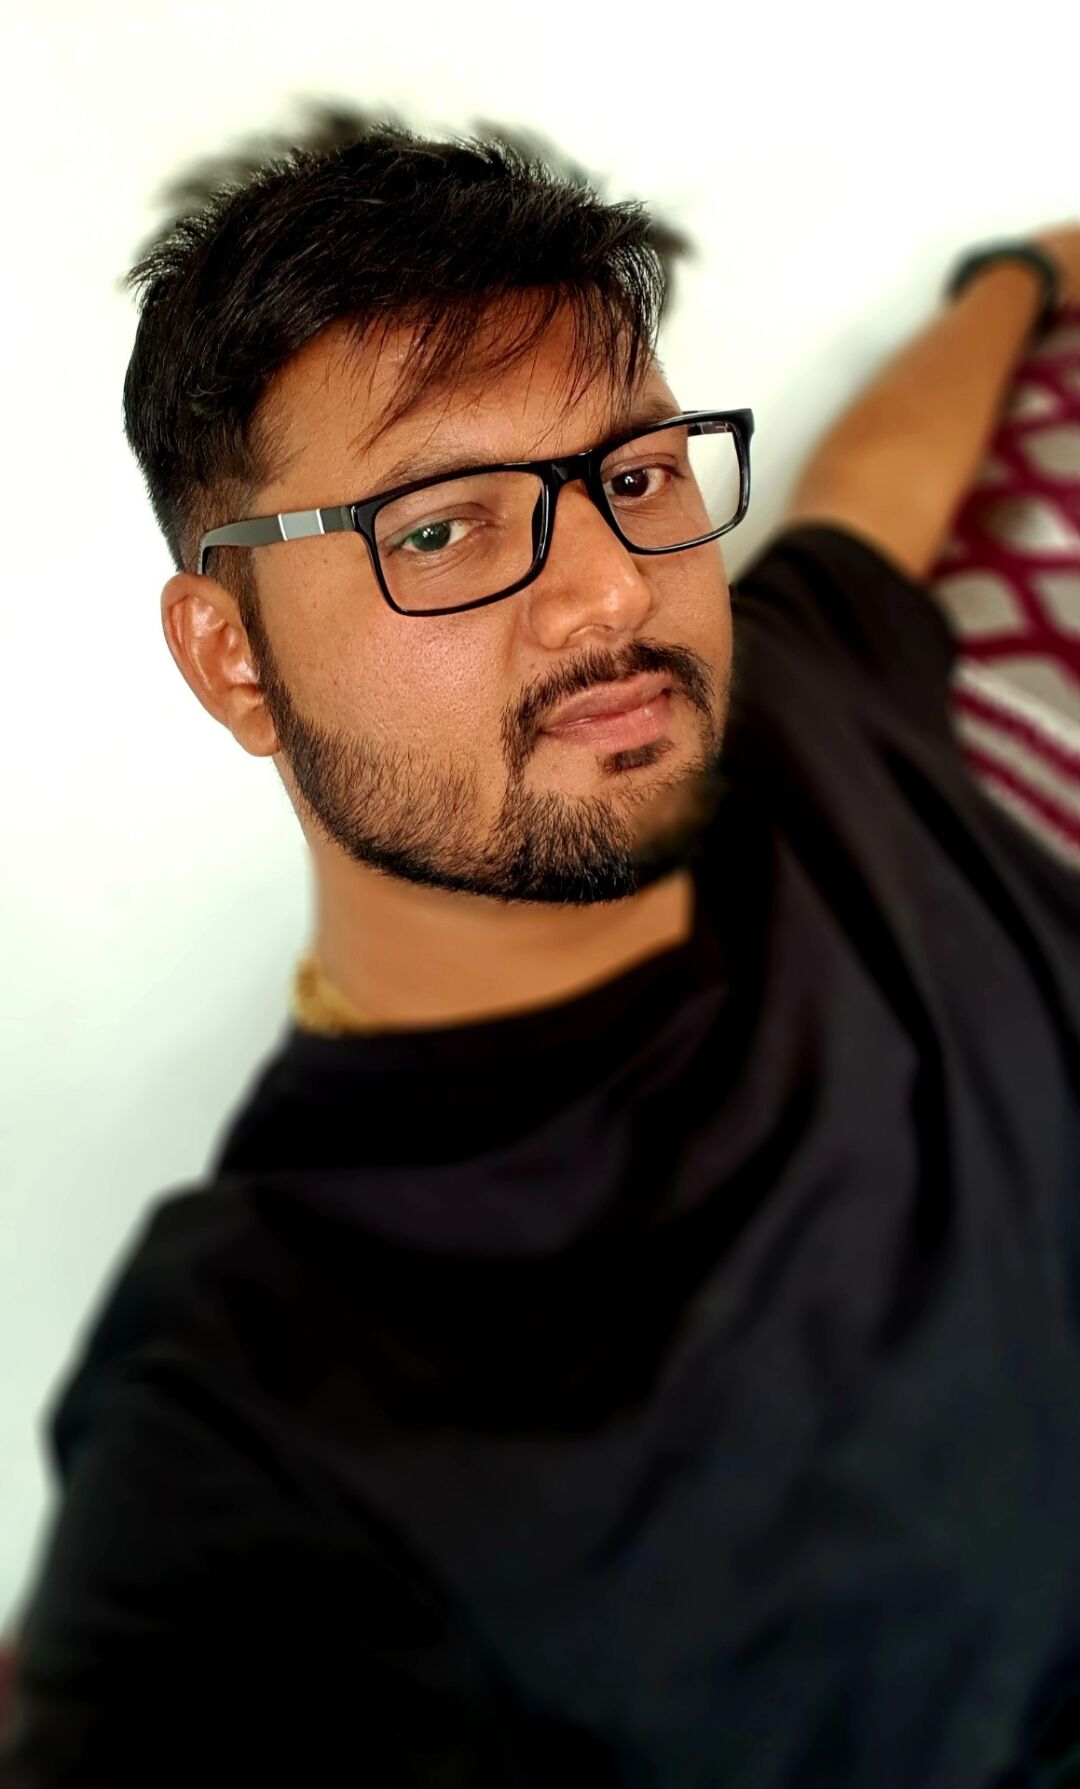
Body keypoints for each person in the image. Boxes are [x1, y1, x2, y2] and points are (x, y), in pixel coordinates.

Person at [3, 100, 1080, 1788]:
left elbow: (874, 490)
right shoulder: (262, 1410)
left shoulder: (785, 690)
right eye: (442, 525)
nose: (608, 594)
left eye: (633, 478)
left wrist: (1024, 274)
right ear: (233, 657)